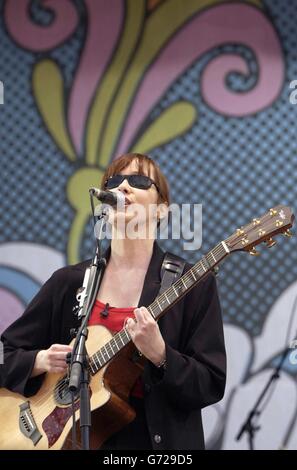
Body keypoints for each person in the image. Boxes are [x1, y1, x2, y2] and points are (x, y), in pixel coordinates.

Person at [0, 153, 226, 450]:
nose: (123, 188)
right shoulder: (68, 282)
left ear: (161, 210)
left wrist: (161, 355)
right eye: (114, 181)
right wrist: (39, 361)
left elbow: (210, 383)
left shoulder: (192, 283)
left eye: (139, 181)